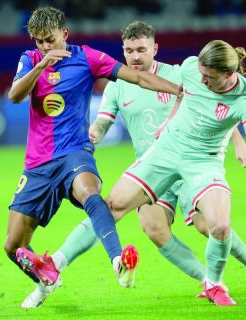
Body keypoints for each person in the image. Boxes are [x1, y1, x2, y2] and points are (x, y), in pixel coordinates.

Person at [24, 22, 246, 307]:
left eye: (209, 77)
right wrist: (166, 121)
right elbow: (186, 94)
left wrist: (240, 145)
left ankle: (214, 283)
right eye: (129, 50)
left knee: (217, 228)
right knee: (113, 208)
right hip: (164, 151)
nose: (201, 80)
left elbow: (234, 117)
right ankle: (54, 262)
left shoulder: (235, 94)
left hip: (202, 162)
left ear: (228, 75)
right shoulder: (192, 67)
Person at [4, 7, 180, 308]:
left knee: (89, 191)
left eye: (50, 40)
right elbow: (15, 96)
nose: (45, 46)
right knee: (13, 246)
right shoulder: (29, 59)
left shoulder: (88, 58)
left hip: (74, 150)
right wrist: (41, 64)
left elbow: (137, 78)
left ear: (65, 34)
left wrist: (180, 91)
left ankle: (117, 261)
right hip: (37, 163)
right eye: (39, 41)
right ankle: (46, 280)